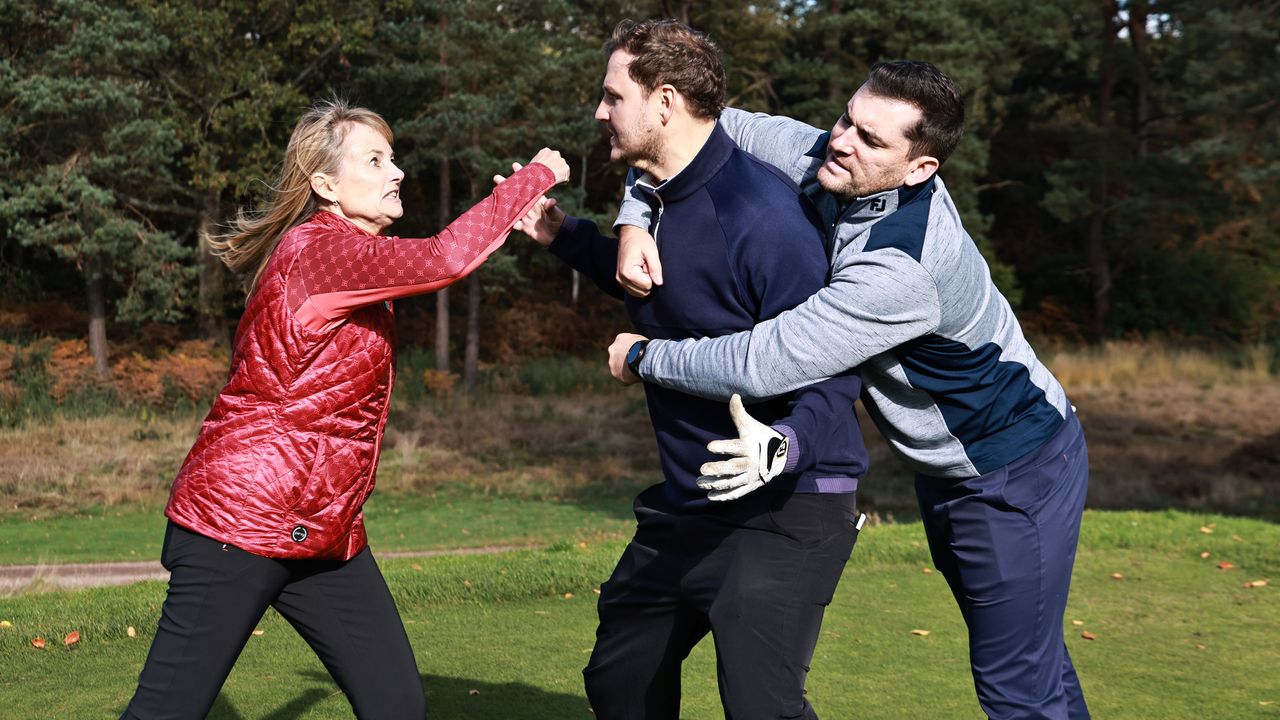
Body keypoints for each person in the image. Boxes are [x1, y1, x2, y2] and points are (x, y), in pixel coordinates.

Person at [607, 61, 1091, 720]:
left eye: (871, 139)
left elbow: (765, 362)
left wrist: (645, 355)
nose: (840, 141)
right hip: (950, 471)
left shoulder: (900, 270)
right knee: (1033, 663)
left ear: (920, 170)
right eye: (846, 120)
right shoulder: (828, 156)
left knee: (1015, 685)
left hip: (1014, 474)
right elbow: (684, 136)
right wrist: (634, 219)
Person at [120, 100, 569, 719]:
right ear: (326, 185)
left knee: (397, 706)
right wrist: (535, 176)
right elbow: (444, 258)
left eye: (395, 157)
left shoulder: (353, 259)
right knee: (166, 711)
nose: (398, 172)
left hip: (321, 530)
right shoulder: (319, 251)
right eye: (375, 159)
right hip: (241, 524)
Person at [500, 19, 867, 720]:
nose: (600, 111)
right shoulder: (657, 198)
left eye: (613, 96)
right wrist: (559, 233)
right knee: (620, 677)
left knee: (761, 702)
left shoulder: (764, 220)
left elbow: (833, 374)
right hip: (692, 500)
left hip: (789, 505)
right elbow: (666, 289)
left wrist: (783, 444)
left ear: (663, 103)